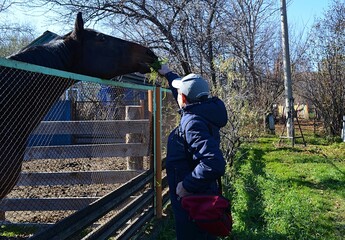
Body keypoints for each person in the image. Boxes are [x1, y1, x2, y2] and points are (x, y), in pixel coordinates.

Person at [158, 64, 228, 239]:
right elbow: (183, 98)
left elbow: (214, 162)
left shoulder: (192, 122)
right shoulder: (203, 110)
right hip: (201, 193)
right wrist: (168, 74)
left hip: (193, 199)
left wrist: (186, 185)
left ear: (183, 98)